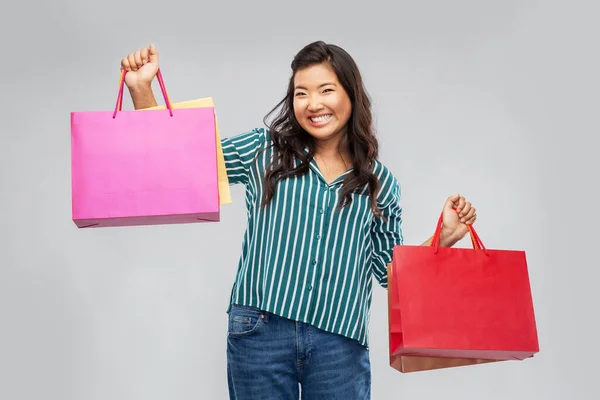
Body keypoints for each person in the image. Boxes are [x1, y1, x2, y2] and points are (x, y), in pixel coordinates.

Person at [119, 41, 477, 400]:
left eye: (326, 90)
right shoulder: (264, 150)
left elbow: (389, 273)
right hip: (260, 331)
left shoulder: (379, 184)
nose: (313, 104)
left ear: (351, 95)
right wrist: (142, 89)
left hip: (339, 341)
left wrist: (442, 239)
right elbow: (182, 167)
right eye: (301, 93)